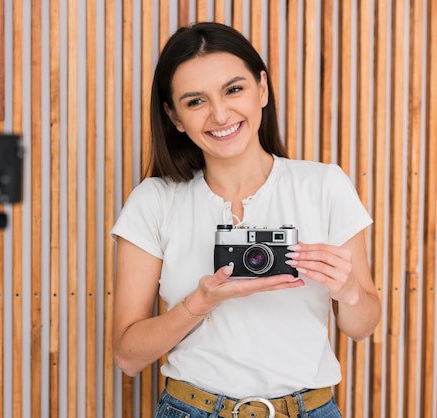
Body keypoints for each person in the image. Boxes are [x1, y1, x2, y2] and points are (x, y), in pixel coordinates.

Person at [110, 22, 381, 418]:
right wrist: (200, 302)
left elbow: (361, 327)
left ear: (263, 89)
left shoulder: (324, 186)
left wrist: (350, 291)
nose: (220, 113)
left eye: (233, 89)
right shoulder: (154, 201)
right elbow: (127, 357)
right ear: (174, 117)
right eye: (195, 101)